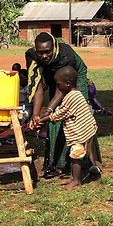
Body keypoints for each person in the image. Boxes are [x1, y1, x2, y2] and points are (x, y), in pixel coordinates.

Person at [26, 32, 89, 177]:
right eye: (40, 53)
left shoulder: (65, 55)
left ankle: (79, 161)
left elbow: (62, 91)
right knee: (55, 120)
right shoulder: (32, 56)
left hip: (73, 78)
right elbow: (38, 87)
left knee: (75, 117)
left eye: (47, 52)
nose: (44, 56)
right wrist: (35, 115)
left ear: (53, 48)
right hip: (56, 78)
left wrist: (48, 109)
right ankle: (53, 163)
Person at [45, 66, 98, 189]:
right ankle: (89, 173)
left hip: (79, 133)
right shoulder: (76, 93)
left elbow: (60, 113)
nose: (58, 88)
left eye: (59, 85)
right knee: (86, 153)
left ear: (67, 84)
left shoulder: (70, 97)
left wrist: (44, 119)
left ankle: (77, 181)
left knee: (75, 156)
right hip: (88, 129)